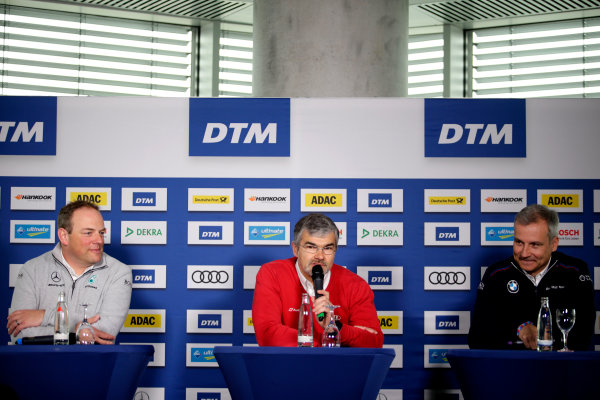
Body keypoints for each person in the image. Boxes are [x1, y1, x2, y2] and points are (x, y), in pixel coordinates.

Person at [468, 204, 595, 350]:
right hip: (509, 369)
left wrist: (545, 338)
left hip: (560, 369)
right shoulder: (496, 274)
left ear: (553, 244)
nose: (524, 253)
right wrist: (520, 328)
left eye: (534, 245)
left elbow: (583, 336)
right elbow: (477, 338)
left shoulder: (575, 271)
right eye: (519, 242)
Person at [7, 200, 132, 344]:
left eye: (101, 232)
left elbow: (104, 333)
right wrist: (79, 330)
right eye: (88, 233)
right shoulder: (31, 269)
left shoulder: (119, 272)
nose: (99, 240)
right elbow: (21, 334)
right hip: (39, 364)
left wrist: (45, 316)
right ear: (64, 236)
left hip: (93, 365)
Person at [252, 213, 383, 347]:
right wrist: (322, 344)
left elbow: (374, 343)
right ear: (295, 249)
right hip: (289, 366)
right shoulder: (272, 274)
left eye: (327, 248)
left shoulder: (356, 285)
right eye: (311, 247)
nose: (320, 256)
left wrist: (334, 327)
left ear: (335, 251)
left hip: (338, 367)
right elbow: (268, 334)